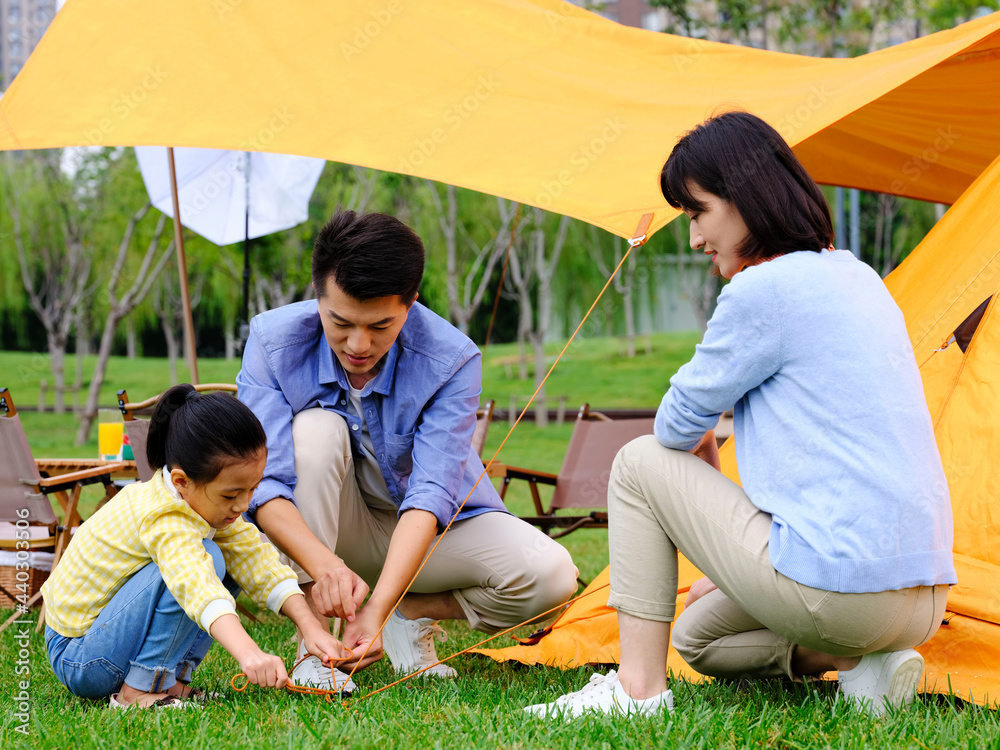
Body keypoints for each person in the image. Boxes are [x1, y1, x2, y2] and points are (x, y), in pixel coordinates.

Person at [525, 111, 956, 719]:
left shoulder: (764, 289)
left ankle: (636, 691)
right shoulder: (859, 276)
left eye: (698, 213)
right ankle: (866, 666)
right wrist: (734, 566)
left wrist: (698, 448)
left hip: (842, 589)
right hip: (921, 598)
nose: (696, 239)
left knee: (636, 462)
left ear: (745, 197)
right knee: (699, 636)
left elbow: (674, 426)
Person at [237, 209, 578, 692]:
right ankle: (315, 649)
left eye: (380, 325)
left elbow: (432, 492)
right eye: (340, 322)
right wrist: (325, 567)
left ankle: (405, 612)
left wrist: (377, 610)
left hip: (429, 531)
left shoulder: (450, 358)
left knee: (552, 576)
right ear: (318, 297)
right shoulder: (273, 343)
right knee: (314, 429)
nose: (358, 344)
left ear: (411, 303)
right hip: (334, 533)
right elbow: (263, 485)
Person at [42, 385, 351, 709]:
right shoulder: (164, 515)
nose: (243, 505)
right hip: (79, 658)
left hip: (102, 644)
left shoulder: (202, 504)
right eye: (231, 495)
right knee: (208, 562)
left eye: (253, 489)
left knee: (232, 559)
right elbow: (196, 585)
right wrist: (250, 654)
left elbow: (256, 559)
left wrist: (309, 626)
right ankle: (138, 693)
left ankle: (170, 683)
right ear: (181, 482)